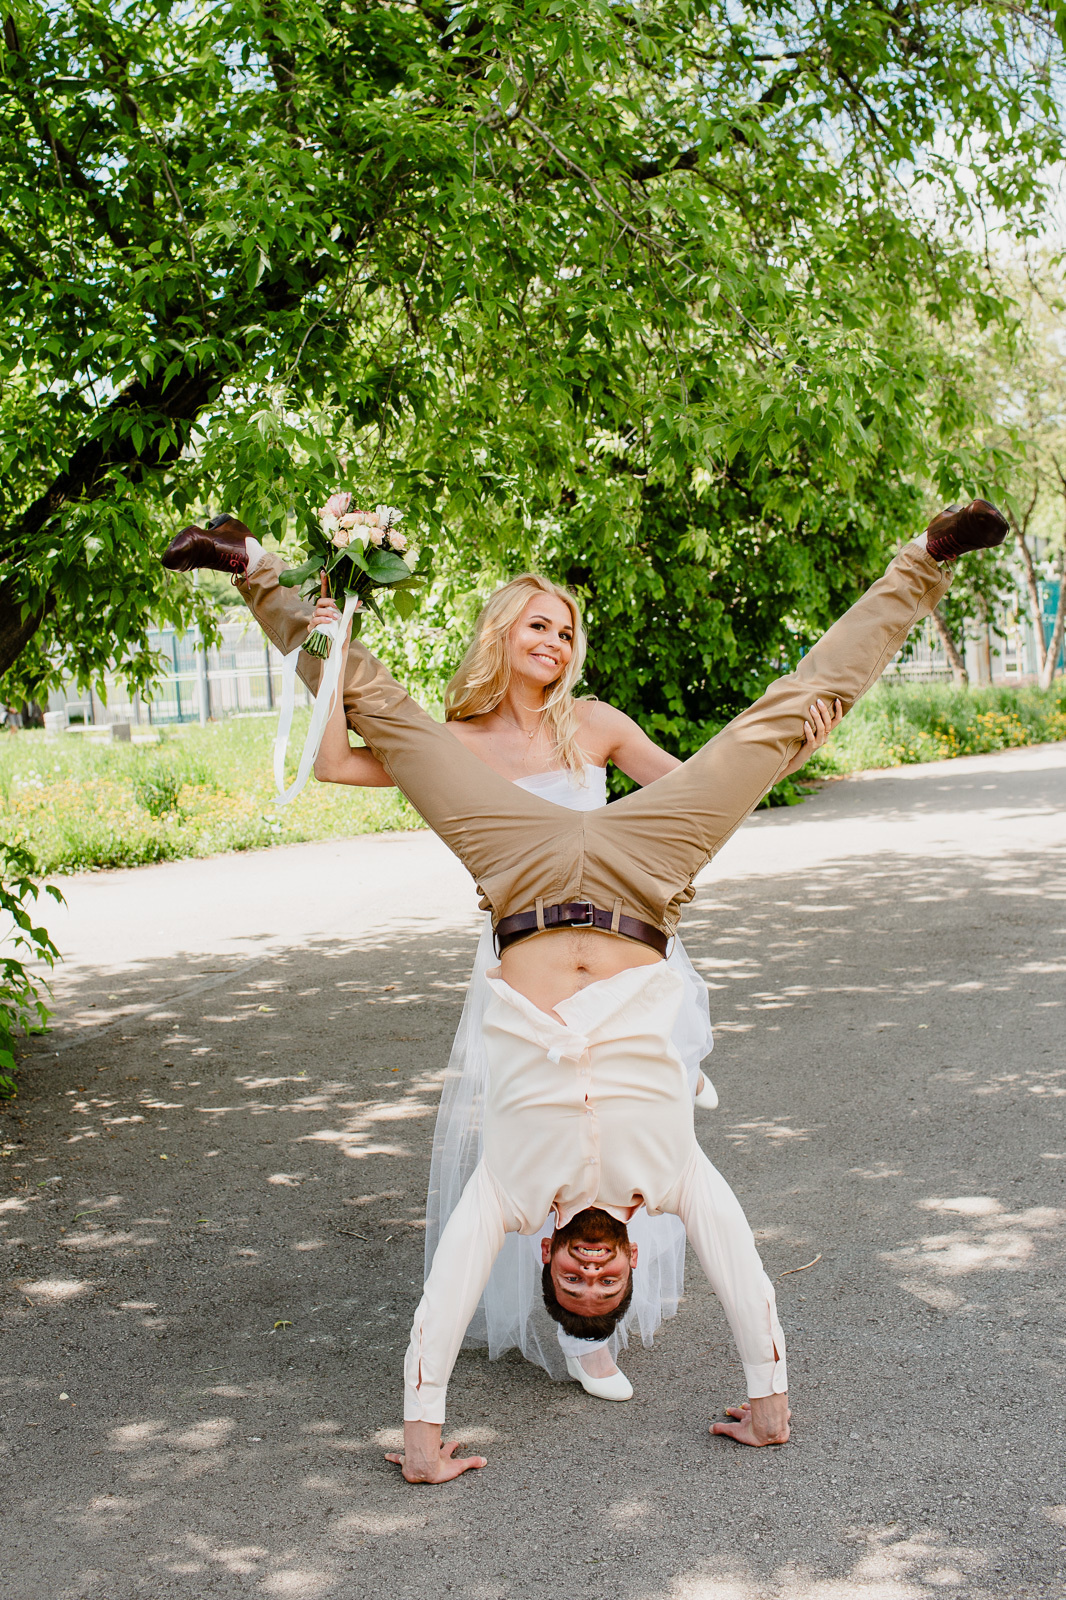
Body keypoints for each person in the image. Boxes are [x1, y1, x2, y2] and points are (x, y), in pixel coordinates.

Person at [163, 496, 1008, 1482]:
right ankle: (929, 558)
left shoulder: (511, 1194)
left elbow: (441, 1295)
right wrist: (769, 1397)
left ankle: (245, 561)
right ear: (635, 1265)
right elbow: (743, 1271)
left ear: (549, 1263)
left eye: (581, 1278)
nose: (595, 1268)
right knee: (788, 723)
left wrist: (423, 1436)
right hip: (641, 879)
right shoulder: (676, 1177)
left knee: (381, 708)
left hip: (518, 869)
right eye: (607, 1280)